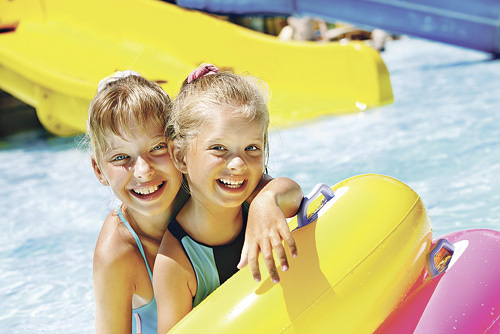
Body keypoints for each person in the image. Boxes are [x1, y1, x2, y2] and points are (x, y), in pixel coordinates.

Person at [88, 70, 302, 333]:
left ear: (179, 150)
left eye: (157, 148)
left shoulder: (213, 189)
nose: (143, 171)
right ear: (99, 170)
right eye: (121, 158)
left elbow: (286, 190)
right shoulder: (117, 253)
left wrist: (266, 201)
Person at [153, 64, 301, 332]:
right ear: (179, 156)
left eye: (251, 148)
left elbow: (292, 192)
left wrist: (265, 203)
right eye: (219, 148)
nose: (238, 164)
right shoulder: (176, 261)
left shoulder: (254, 197)